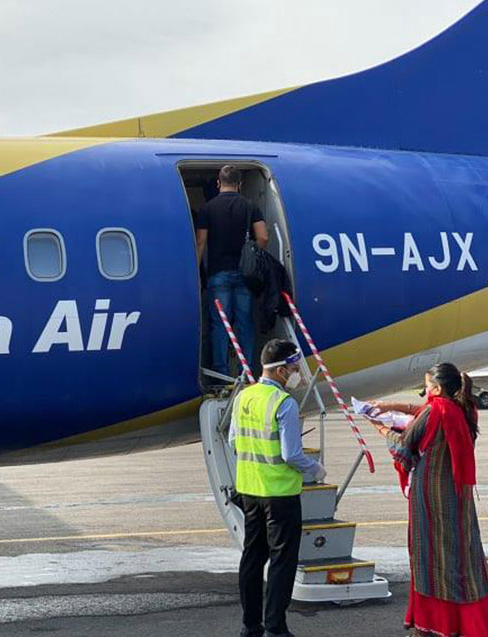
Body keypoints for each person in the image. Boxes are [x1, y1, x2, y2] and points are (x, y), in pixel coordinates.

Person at [369, 363, 488, 637]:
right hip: (458, 496)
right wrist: (391, 406)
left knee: (428, 556)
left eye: (427, 387)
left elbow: (404, 447)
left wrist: (380, 429)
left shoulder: (435, 409)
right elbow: (422, 413)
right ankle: (469, 624)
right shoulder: (464, 409)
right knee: (464, 555)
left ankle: (431, 625)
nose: (425, 392)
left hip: (431, 495)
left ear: (438, 389)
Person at [229, 339, 326, 637]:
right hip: (280, 494)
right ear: (282, 371)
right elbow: (291, 454)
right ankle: (276, 627)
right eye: (294, 368)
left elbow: (234, 442)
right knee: (282, 562)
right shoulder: (284, 403)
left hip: (249, 490)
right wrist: (316, 469)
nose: (297, 372)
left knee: (252, 557)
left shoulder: (244, 397)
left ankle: (250, 625)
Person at [196, 165, 269, 377]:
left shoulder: (207, 208)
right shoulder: (250, 206)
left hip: (218, 273)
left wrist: (197, 271)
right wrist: (254, 256)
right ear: (240, 184)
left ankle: (221, 371)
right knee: (245, 322)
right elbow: (263, 237)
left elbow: (201, 241)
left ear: (219, 183)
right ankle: (246, 371)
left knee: (220, 324)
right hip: (245, 274)